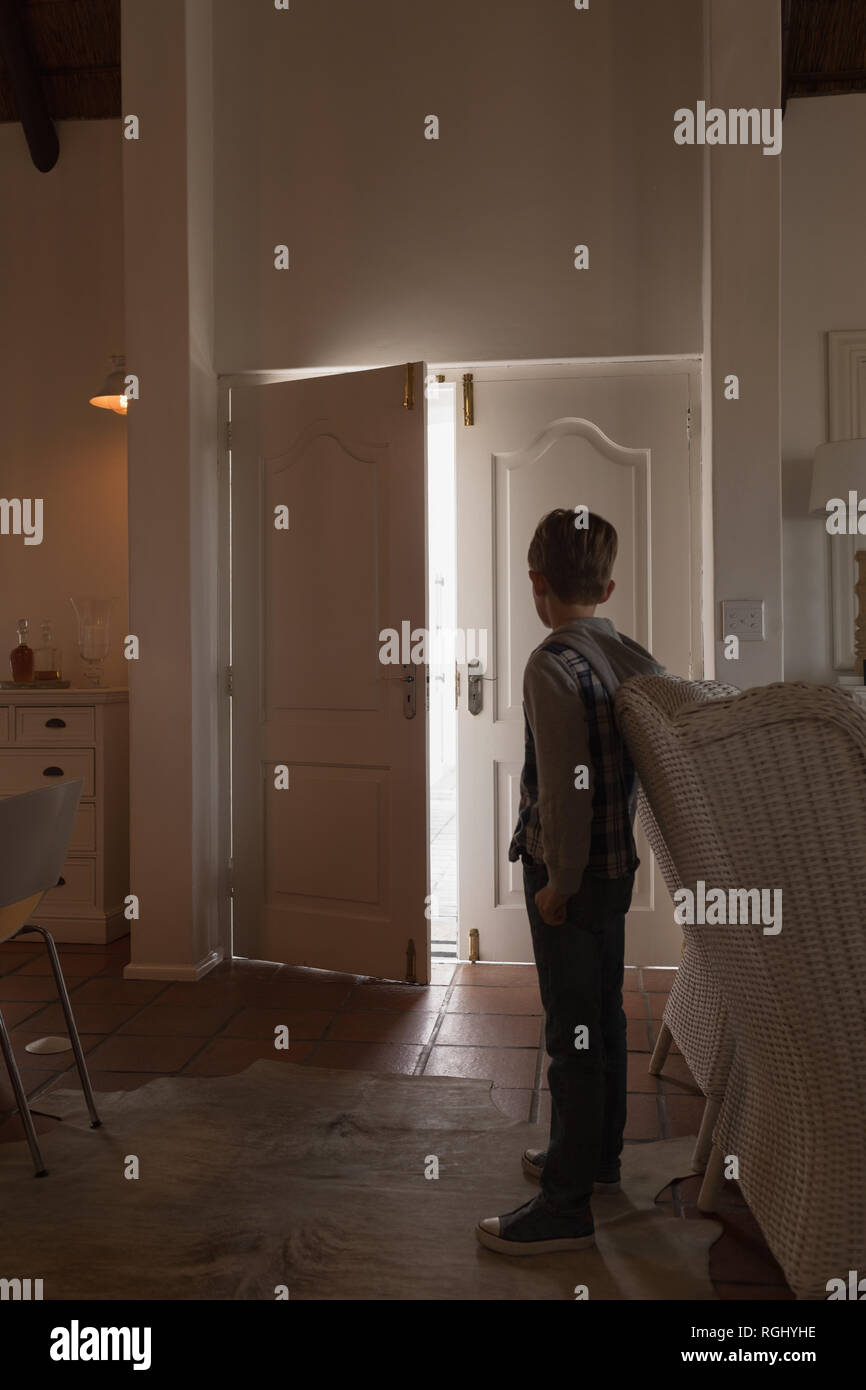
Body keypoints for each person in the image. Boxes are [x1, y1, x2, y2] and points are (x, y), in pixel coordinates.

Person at [476, 507, 664, 1255]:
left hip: (573, 876)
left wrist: (558, 879)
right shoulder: (630, 656)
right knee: (606, 1019)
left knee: (570, 1032)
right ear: (608, 585)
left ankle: (565, 1206)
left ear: (536, 582)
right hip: (615, 874)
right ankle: (596, 1160)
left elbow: (565, 787)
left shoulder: (551, 663)